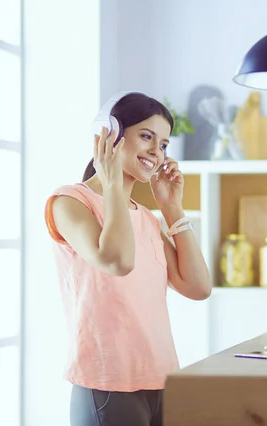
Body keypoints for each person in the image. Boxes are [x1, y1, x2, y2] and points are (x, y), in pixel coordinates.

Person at [44, 92, 212, 426]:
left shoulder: (145, 217)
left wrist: (171, 208)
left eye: (163, 144)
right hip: (107, 383)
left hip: (162, 378)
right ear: (109, 135)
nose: (156, 151)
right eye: (146, 136)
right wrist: (112, 186)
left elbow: (197, 286)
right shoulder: (69, 201)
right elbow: (118, 262)